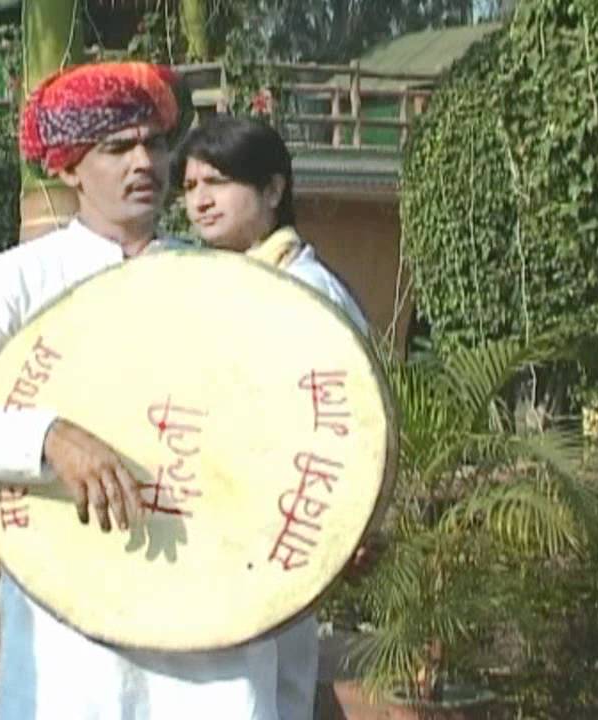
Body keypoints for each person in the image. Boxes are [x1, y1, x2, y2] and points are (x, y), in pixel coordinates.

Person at [0, 62, 302, 720]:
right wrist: (48, 439)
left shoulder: (227, 282)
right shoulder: (13, 283)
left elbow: (292, 423)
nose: (144, 163)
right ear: (68, 170)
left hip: (212, 633)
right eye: (116, 148)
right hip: (69, 647)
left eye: (154, 144)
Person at [176, 116, 370, 720]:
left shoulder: (308, 292)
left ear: (273, 189)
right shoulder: (201, 284)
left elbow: (352, 426)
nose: (200, 201)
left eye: (218, 182)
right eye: (190, 187)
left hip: (277, 529)